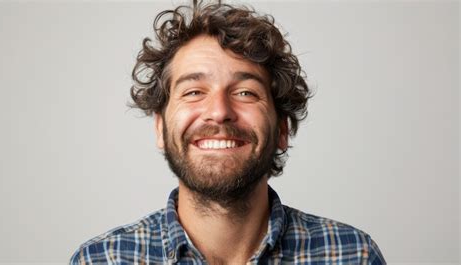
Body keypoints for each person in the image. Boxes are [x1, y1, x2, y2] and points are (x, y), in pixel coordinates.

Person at [70, 1, 386, 264]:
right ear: (160, 127)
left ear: (282, 129)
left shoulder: (353, 255)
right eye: (193, 92)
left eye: (246, 93)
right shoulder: (100, 260)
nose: (219, 111)